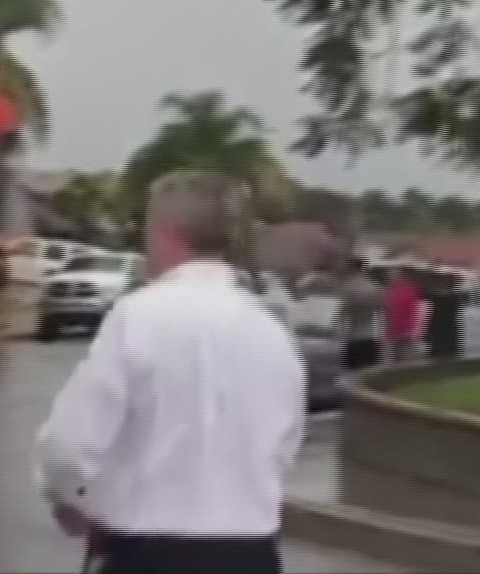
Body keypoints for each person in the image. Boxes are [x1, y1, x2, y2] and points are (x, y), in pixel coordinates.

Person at [36, 169, 303, 574]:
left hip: (149, 553)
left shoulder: (137, 316)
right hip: (252, 555)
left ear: (166, 231)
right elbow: (283, 447)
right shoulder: (271, 331)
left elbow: (68, 445)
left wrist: (68, 500)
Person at [338, 259, 384, 372]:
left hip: (353, 335)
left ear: (351, 268)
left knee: (351, 371)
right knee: (368, 371)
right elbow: (381, 309)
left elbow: (342, 312)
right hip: (371, 333)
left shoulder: (347, 287)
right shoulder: (375, 286)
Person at [383, 265, 422, 364]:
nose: (390, 278)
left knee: (399, 356)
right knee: (404, 356)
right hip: (402, 328)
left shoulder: (391, 290)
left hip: (400, 328)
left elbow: (413, 309)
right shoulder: (411, 289)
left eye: (392, 275)